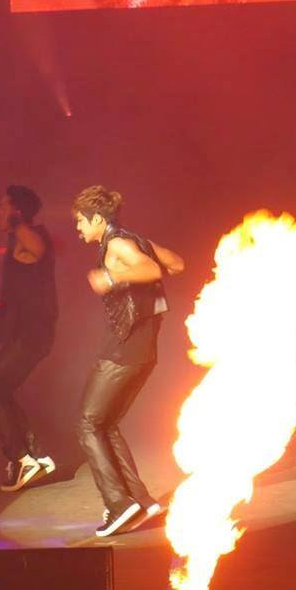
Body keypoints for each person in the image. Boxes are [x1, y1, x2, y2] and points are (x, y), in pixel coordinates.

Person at [71, 185, 185, 537]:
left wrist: (112, 275)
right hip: (143, 351)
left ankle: (119, 505)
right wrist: (141, 252)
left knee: (87, 424)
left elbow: (151, 269)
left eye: (80, 221)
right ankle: (141, 502)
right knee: (106, 423)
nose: (78, 228)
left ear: (97, 219)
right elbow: (176, 263)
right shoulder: (132, 240)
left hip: (124, 349)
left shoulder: (118, 244)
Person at [0, 185, 58, 492]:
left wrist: (17, 223)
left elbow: (37, 250)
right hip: (23, 333)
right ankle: (35, 456)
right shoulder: (19, 239)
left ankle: (22, 459)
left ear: (16, 211)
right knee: (0, 390)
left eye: (3, 206)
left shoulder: (31, 235)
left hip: (31, 333)